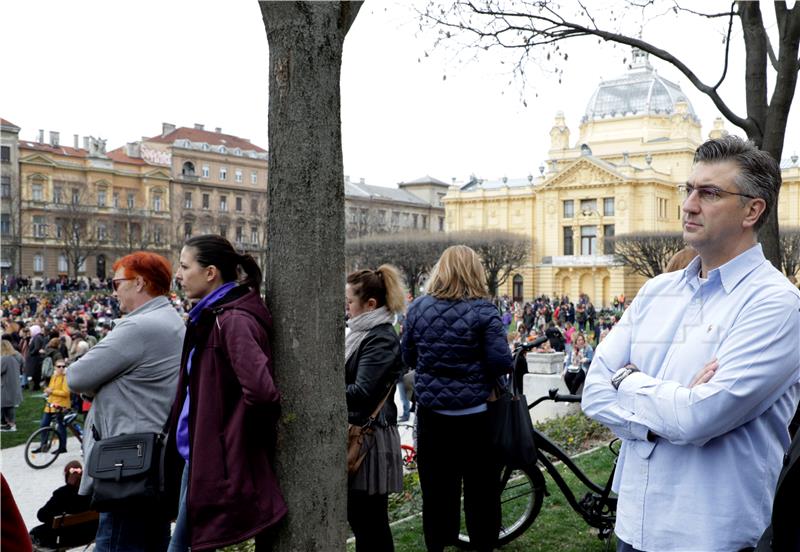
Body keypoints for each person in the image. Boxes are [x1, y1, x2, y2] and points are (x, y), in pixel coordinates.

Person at [582, 136, 800, 552]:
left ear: (752, 210)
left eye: (709, 193)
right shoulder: (656, 292)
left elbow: (701, 417)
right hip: (633, 525)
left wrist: (626, 381)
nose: (688, 204)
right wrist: (675, 403)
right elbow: (593, 393)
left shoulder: (777, 305)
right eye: (688, 189)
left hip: (710, 535)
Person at [166, 235, 286, 551]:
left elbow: (262, 393)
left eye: (184, 266)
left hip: (212, 458)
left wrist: (229, 442)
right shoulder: (214, 315)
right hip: (201, 454)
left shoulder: (232, 320)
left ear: (210, 272)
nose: (178, 275)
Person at [67, 251, 185, 552]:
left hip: (126, 468)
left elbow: (77, 376)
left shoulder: (139, 327)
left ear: (140, 283)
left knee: (117, 542)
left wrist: (97, 386)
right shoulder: (169, 319)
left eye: (117, 282)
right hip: (146, 464)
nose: (113, 290)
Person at [401, 245, 512, 552]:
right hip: (476, 417)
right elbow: (501, 362)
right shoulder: (484, 310)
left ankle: (438, 546)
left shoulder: (419, 308)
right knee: (482, 495)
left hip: (433, 417)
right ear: (476, 272)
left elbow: (407, 355)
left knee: (437, 494)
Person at [345, 265, 405, 552]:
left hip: (370, 438)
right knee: (366, 522)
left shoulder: (379, 337)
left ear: (370, 304)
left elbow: (361, 393)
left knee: (369, 523)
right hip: (365, 434)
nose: (346, 308)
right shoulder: (362, 332)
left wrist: (319, 394)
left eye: (350, 302)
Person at [29, 461, 98, 549]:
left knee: (34, 534)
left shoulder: (61, 494)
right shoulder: (93, 491)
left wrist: (57, 516)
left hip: (66, 538)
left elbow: (41, 515)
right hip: (92, 534)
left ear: (66, 476)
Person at [31, 359, 70, 454]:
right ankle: (43, 445)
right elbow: (52, 389)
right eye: (59, 366)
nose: (61, 368)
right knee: (44, 425)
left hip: (61, 406)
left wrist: (51, 391)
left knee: (60, 427)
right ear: (55, 367)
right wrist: (48, 390)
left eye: (63, 366)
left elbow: (66, 393)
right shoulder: (54, 376)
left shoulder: (65, 378)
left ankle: (62, 447)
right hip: (50, 405)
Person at [1, 338, 24, 431]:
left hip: (6, 385)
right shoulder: (16, 356)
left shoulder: (5, 358)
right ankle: (8, 423)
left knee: (8, 406)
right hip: (13, 384)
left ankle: (11, 424)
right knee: (8, 406)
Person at [25, 323, 46, 390]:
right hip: (34, 358)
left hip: (34, 358)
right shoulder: (36, 337)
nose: (30, 333)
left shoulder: (37, 337)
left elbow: (37, 348)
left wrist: (31, 353)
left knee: (34, 372)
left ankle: (35, 387)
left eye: (31, 331)